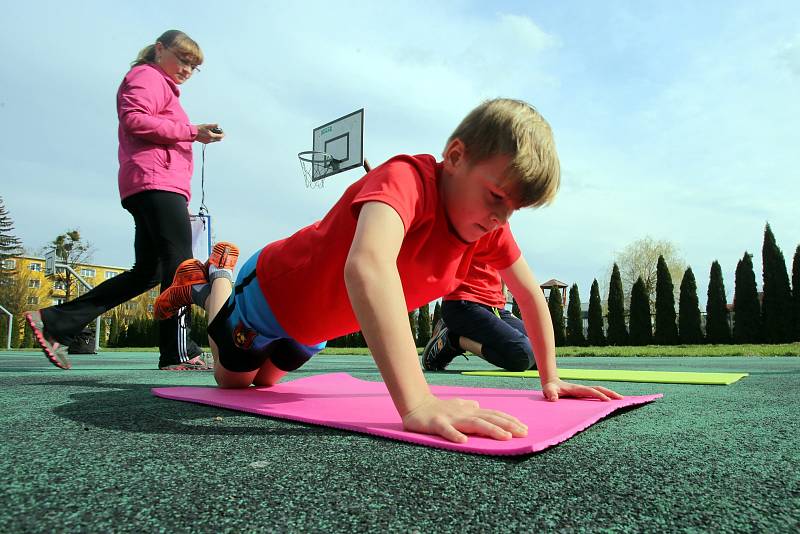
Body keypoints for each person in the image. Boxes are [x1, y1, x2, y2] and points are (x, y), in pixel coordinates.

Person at [156, 98, 622, 444]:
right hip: (270, 295)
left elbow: (528, 294)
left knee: (267, 384)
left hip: (314, 329)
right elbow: (367, 267)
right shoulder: (405, 179)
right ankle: (212, 280)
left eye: (515, 208)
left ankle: (219, 290)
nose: (502, 216)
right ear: (456, 157)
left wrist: (550, 377)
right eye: (497, 196)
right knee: (234, 382)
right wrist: (417, 402)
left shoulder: (488, 231)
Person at [25, 29, 224, 370]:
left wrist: (192, 132)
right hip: (156, 183)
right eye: (183, 59)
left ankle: (58, 321)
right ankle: (178, 352)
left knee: (149, 272)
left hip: (154, 184)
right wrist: (192, 131)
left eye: (194, 66)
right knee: (180, 267)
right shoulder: (147, 76)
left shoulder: (162, 87)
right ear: (160, 50)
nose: (188, 69)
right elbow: (134, 120)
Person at [422, 259, 535, 372]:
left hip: (495, 307)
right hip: (463, 304)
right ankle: (454, 339)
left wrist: (502, 295)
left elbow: (504, 260)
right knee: (523, 355)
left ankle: (457, 335)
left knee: (540, 353)